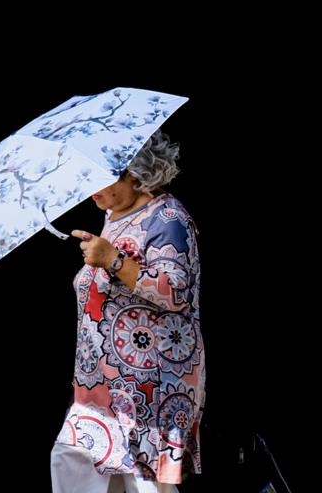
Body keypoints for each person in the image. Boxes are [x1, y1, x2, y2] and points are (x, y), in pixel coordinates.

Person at [51, 131, 204, 493]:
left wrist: (112, 260)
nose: (91, 190)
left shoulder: (167, 218)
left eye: (100, 178)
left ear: (135, 172)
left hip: (151, 390)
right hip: (101, 386)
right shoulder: (113, 216)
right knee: (74, 461)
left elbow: (177, 290)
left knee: (145, 484)